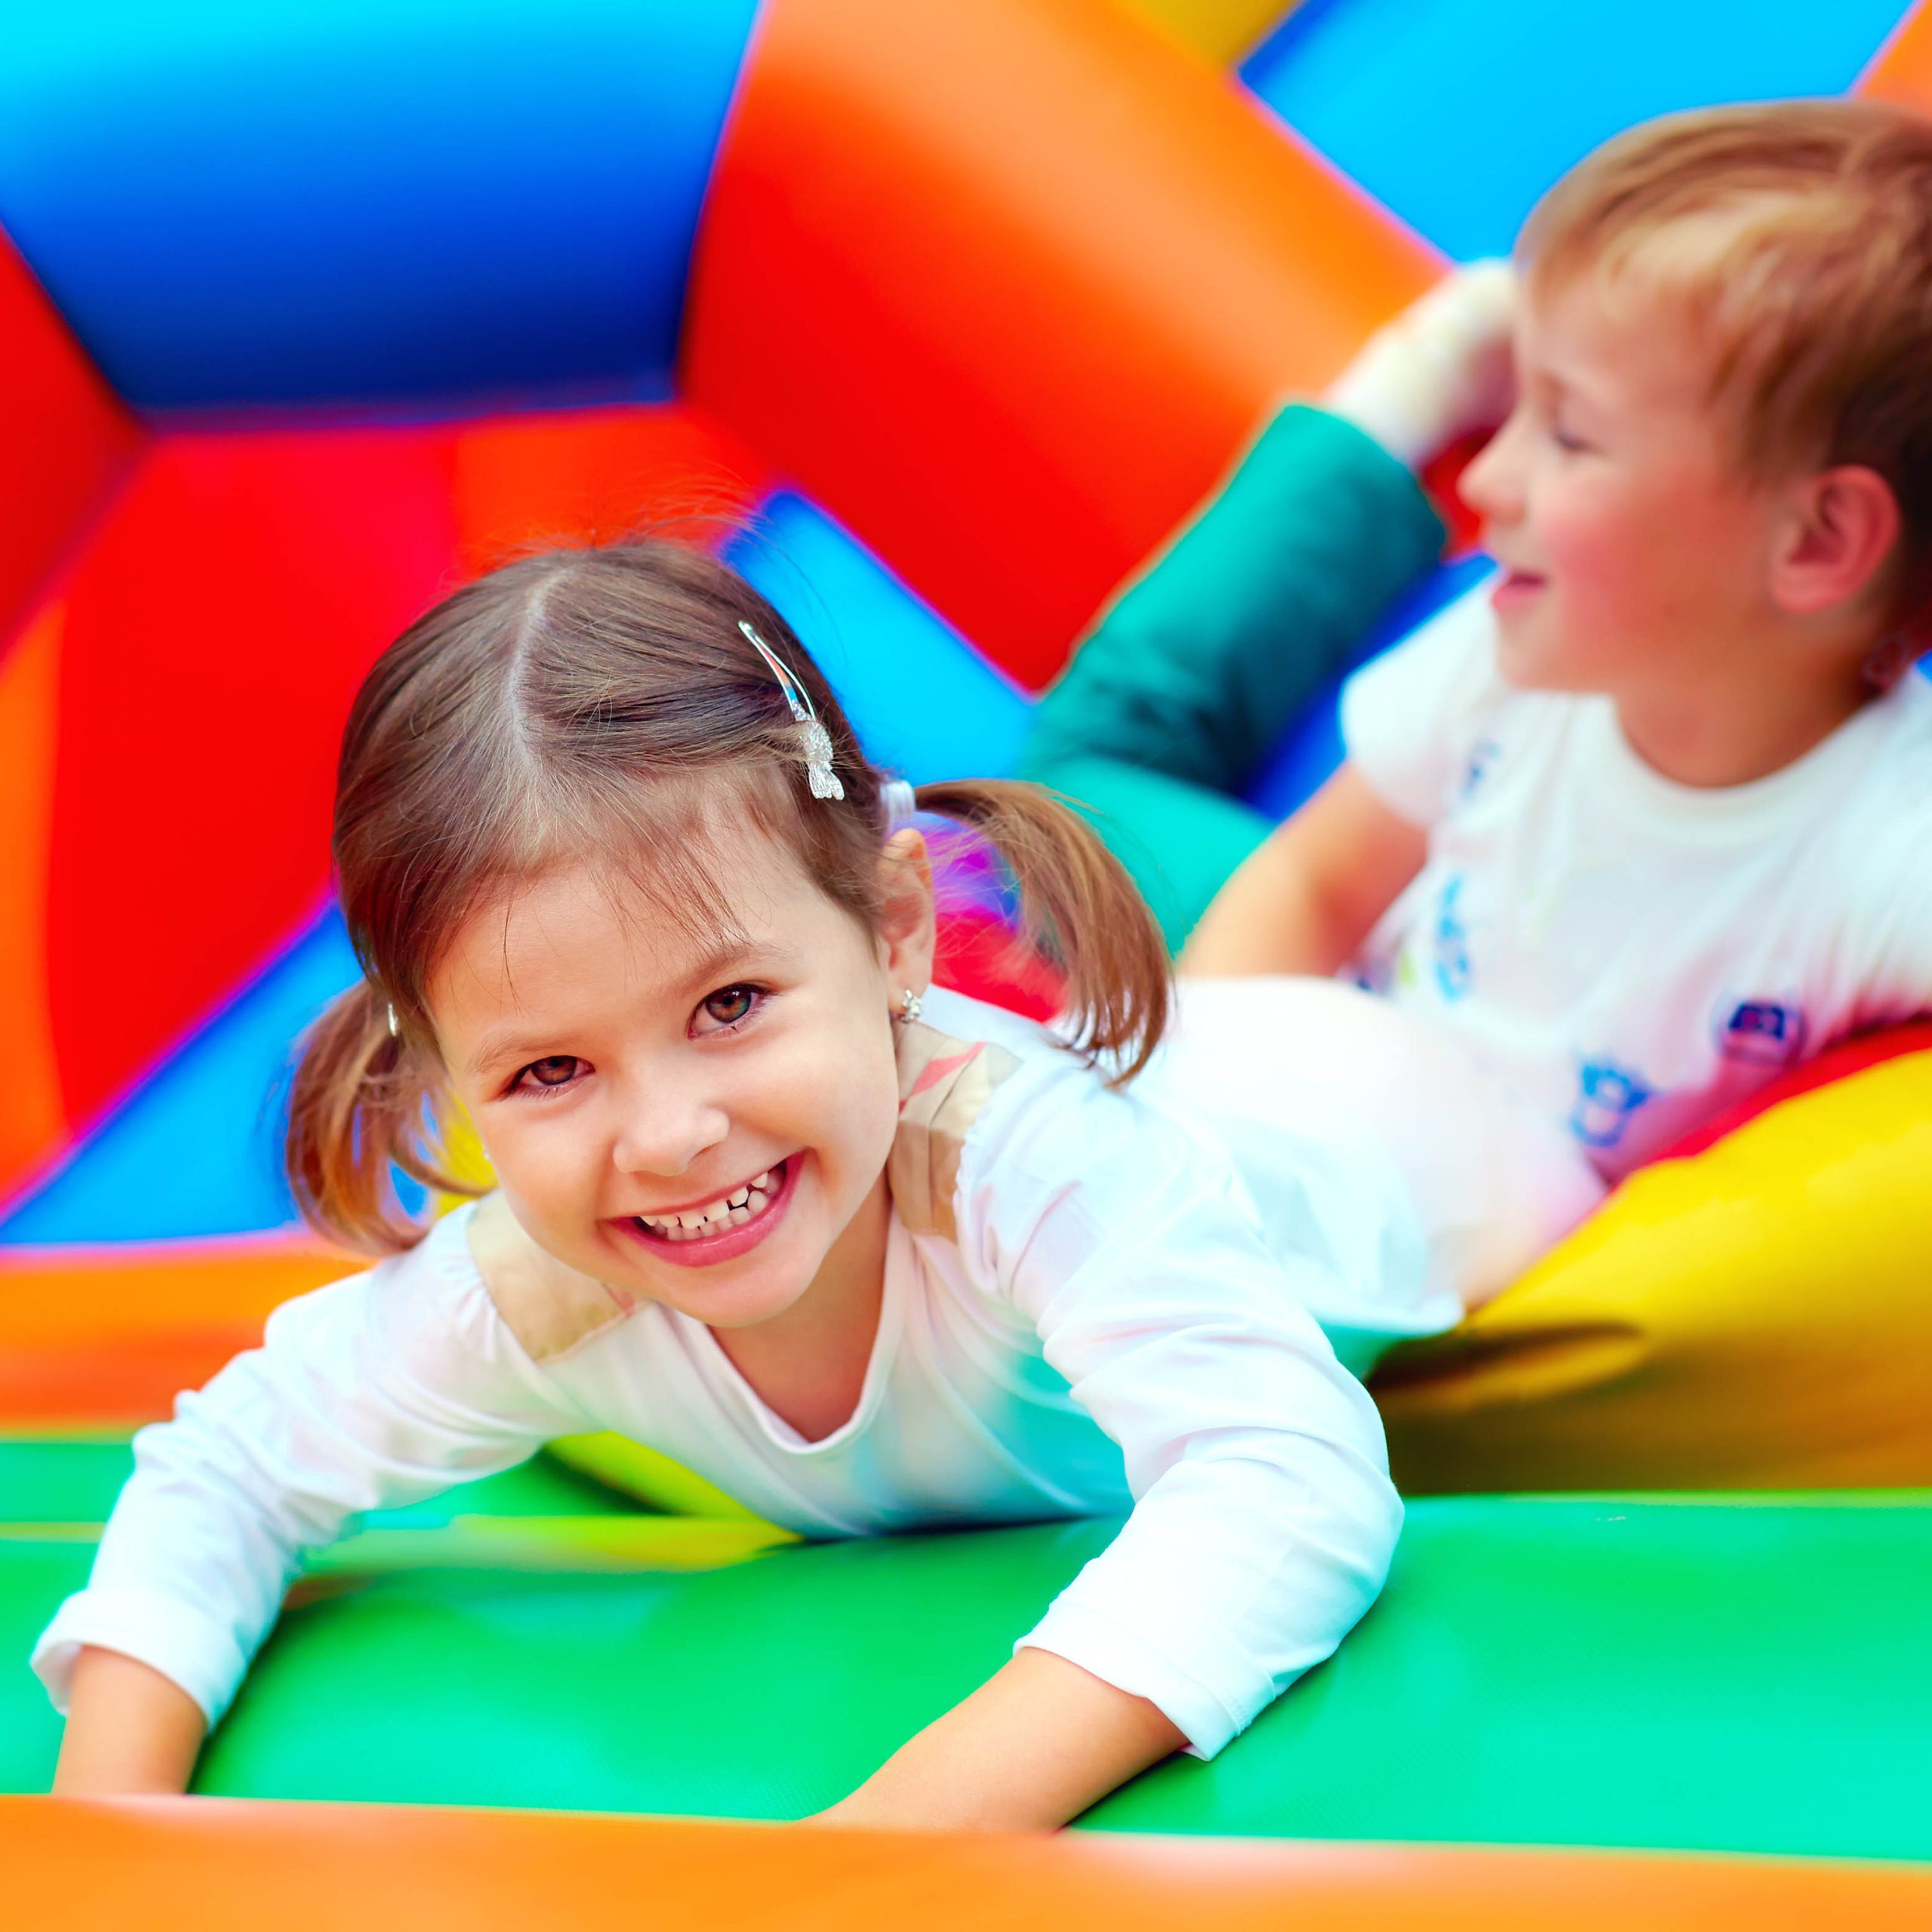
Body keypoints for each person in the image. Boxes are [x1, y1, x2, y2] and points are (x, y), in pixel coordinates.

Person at [37, 540, 1424, 1830]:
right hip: (1168, 1036)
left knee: (1149, 769)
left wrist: (871, 1851)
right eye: (550, 1072)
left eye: (730, 1004)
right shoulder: (538, 1285)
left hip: (1382, 1108)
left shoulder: (1021, 1162)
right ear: (449, 1079)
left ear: (894, 932)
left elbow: (1285, 1480)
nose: (667, 1139)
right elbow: (228, 1474)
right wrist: (107, 1854)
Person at [1031, 98, 1932, 1217]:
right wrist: (1191, 1113)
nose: (1489, 483)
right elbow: (1317, 885)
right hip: (1334, 1036)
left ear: (1818, 540)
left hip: (1437, 1209)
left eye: (1569, 433)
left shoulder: (1884, 852)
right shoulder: (1517, 663)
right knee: (1076, 777)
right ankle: (1395, 412)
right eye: (1528, 413)